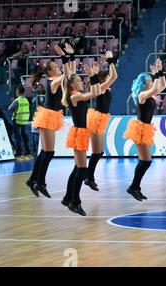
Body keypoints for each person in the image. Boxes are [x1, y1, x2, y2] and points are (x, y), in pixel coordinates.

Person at [26, 43, 75, 198]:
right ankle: (40, 182)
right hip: (47, 116)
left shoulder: (56, 80)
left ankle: (33, 179)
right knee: (49, 152)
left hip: (51, 115)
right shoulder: (52, 82)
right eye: (56, 66)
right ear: (49, 71)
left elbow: (70, 73)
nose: (59, 67)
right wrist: (63, 56)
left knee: (45, 152)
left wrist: (71, 55)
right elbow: (67, 74)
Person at [61, 62, 102, 216]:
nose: (81, 82)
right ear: (72, 86)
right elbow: (93, 93)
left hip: (81, 132)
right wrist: (92, 76)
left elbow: (96, 92)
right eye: (78, 80)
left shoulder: (76, 95)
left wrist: (95, 76)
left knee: (78, 168)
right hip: (79, 133)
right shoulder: (75, 96)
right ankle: (74, 202)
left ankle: (67, 198)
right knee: (82, 169)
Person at [124, 59, 166, 201]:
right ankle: (133, 187)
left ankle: (135, 187)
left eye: (151, 80)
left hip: (146, 128)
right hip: (140, 129)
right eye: (148, 81)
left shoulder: (150, 95)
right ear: (143, 84)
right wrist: (155, 75)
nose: (151, 82)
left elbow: (163, 85)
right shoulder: (141, 95)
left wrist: (160, 72)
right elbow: (156, 88)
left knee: (145, 161)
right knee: (146, 161)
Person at [84, 51, 118, 191]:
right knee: (97, 152)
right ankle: (88, 177)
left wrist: (110, 61)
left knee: (99, 152)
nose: (109, 78)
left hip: (101, 118)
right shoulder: (102, 87)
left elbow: (113, 76)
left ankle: (89, 177)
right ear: (103, 79)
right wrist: (110, 60)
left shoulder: (104, 87)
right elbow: (114, 76)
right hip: (97, 118)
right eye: (107, 77)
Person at [8, 85, 31, 160]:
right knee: (25, 137)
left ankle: (19, 153)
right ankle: (28, 152)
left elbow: (9, 109)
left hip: (17, 120)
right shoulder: (26, 100)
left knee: (18, 137)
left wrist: (15, 110)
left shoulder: (17, 100)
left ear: (18, 92)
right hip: (25, 121)